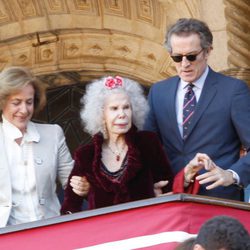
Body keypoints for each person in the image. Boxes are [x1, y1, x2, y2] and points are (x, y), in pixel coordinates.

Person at [144, 18, 250, 201]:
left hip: (219, 200)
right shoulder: (158, 91)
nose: (184, 64)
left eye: (191, 56)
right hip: (171, 198)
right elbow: (146, 148)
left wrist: (232, 175)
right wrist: (147, 184)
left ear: (208, 51)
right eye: (177, 57)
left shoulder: (233, 90)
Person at [61, 76, 174, 212]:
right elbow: (69, 207)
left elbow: (169, 186)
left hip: (145, 227)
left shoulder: (148, 142)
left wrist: (158, 197)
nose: (122, 114)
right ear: (101, 114)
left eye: (126, 107)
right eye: (114, 108)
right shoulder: (85, 155)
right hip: (104, 230)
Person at [0, 66, 88, 227]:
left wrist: (83, 186)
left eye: (29, 102)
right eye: (16, 103)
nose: (24, 110)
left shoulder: (53, 134)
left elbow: (71, 180)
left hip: (50, 230)